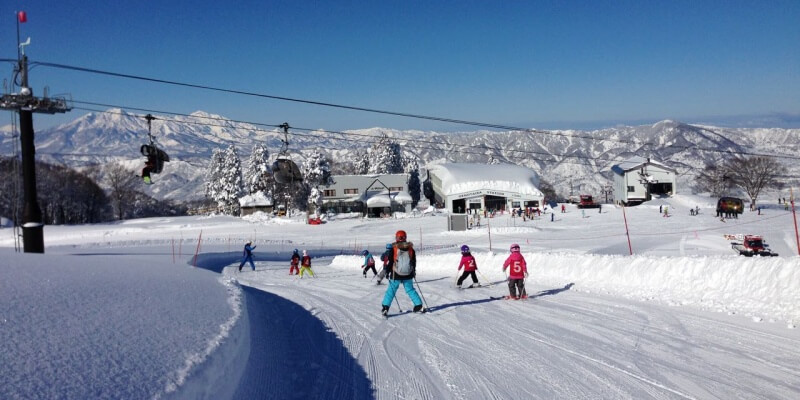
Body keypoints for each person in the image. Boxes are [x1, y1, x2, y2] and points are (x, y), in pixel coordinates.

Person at [381, 230, 426, 316]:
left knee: (391, 290)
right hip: (408, 274)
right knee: (410, 290)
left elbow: (390, 262)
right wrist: (413, 272)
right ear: (405, 237)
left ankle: (385, 307)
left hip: (396, 274)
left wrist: (387, 272)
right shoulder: (410, 249)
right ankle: (419, 305)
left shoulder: (394, 248)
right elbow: (413, 262)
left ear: (397, 238)